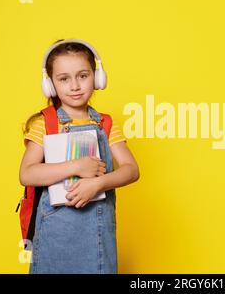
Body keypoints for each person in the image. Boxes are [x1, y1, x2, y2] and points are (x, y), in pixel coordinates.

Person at [19, 38, 140, 274]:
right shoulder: (46, 124)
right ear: (51, 84)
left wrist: (97, 183)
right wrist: (76, 166)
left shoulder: (105, 124)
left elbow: (131, 169)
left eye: (82, 76)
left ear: (97, 77)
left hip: (96, 234)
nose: (74, 86)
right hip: (54, 236)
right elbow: (27, 173)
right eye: (64, 79)